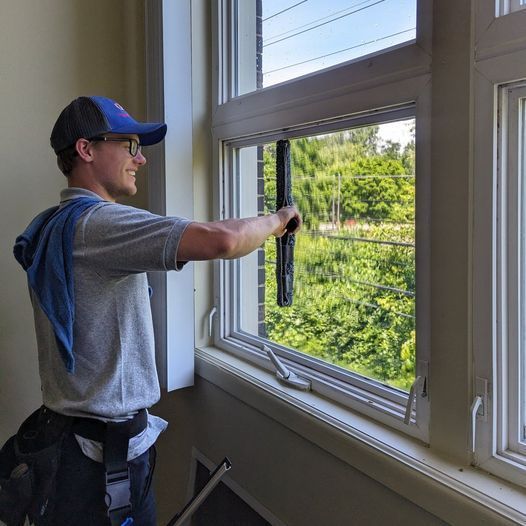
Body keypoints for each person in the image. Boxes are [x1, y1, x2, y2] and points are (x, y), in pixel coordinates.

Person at [3, 96, 301, 526]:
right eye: (129, 145)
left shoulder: (54, 222)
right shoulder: (99, 225)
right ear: (86, 150)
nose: (140, 159)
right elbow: (222, 240)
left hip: (72, 446)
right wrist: (279, 219)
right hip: (97, 468)